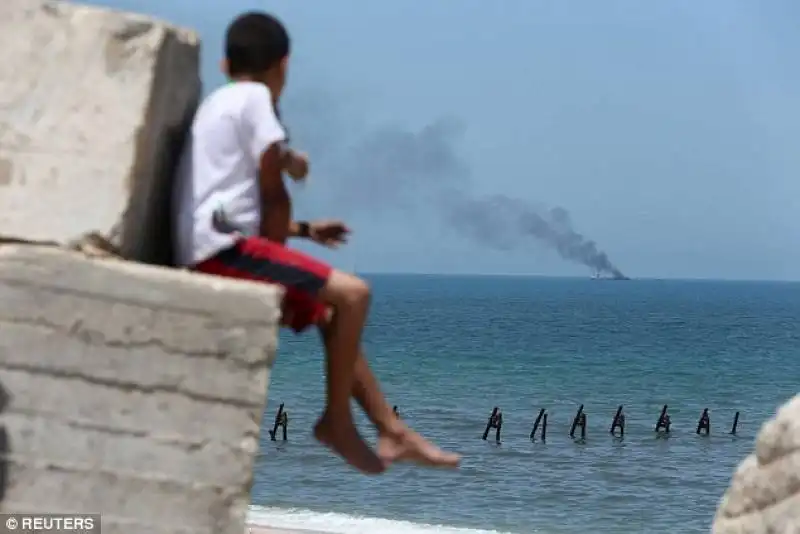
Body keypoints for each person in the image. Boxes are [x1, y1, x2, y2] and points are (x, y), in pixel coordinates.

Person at [172, 11, 461, 474]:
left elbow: (233, 210)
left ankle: (391, 430)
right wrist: (289, 175)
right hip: (222, 255)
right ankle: (337, 423)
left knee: (331, 315)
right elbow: (271, 194)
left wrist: (305, 232)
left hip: (214, 247)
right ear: (283, 66)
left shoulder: (221, 103)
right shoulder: (256, 100)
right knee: (354, 294)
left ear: (224, 64)